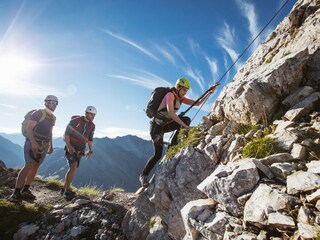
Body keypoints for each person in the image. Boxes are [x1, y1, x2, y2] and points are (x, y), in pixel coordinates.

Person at [140, 78, 218, 187]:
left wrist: (209, 92)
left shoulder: (180, 98)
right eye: (184, 89)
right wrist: (186, 127)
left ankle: (172, 146)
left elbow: (197, 103)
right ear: (178, 87)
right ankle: (143, 175)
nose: (185, 92)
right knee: (157, 155)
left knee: (185, 119)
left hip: (165, 125)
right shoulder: (170, 95)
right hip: (156, 128)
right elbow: (171, 114)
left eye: (186, 90)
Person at [9, 95, 58, 203]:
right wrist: (34, 143)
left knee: (36, 166)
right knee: (29, 165)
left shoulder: (53, 118)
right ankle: (16, 193)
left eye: (56, 103)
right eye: (52, 102)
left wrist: (51, 145)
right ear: (46, 103)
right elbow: (29, 129)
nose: (54, 105)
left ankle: (26, 189)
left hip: (44, 145)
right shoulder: (38, 113)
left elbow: (50, 132)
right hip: (32, 143)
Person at [62, 106, 96, 200]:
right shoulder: (76, 121)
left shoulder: (92, 126)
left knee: (74, 167)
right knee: (73, 166)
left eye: (94, 115)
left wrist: (90, 150)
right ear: (86, 113)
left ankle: (64, 187)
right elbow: (66, 134)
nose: (93, 116)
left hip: (80, 149)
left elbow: (90, 139)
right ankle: (67, 191)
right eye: (91, 114)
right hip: (71, 146)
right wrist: (69, 146)